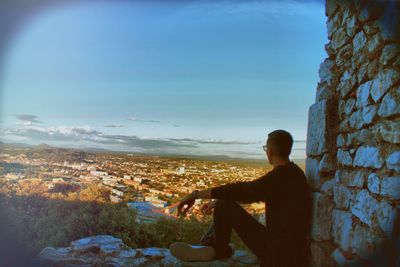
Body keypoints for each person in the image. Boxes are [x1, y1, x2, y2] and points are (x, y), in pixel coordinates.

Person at [169, 130, 312, 267]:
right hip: (292, 251)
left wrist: (196, 194)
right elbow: (251, 193)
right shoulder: (296, 173)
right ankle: (218, 248)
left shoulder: (278, 177)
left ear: (270, 151)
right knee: (222, 203)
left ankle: (217, 249)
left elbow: (241, 190)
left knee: (224, 206)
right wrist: (216, 201)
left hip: (277, 254)